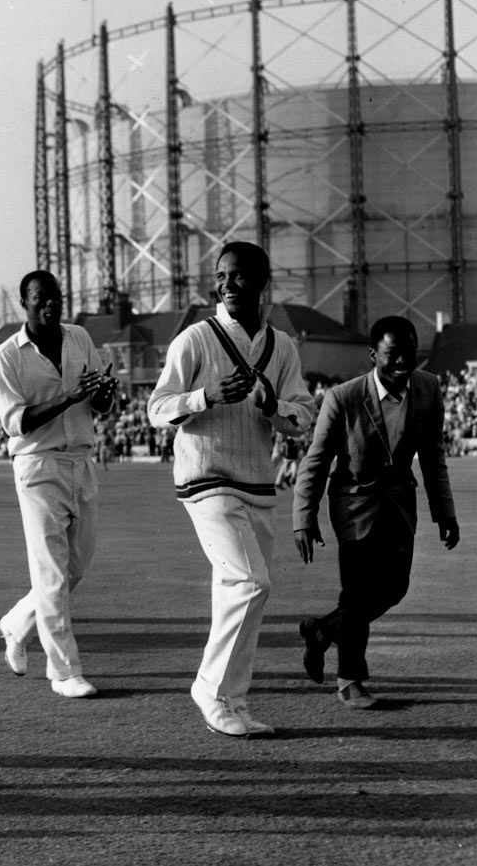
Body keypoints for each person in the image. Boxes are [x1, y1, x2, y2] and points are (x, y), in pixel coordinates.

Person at [148, 241, 314, 737]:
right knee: (250, 582)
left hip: (258, 484)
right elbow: (157, 409)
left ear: (262, 282)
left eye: (239, 276)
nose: (227, 285)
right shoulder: (195, 340)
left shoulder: (282, 347)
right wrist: (205, 395)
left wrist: (270, 405)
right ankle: (210, 689)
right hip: (206, 480)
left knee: (238, 592)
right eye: (221, 276)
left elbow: (301, 418)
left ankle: (233, 699)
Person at [293, 315, 459, 709]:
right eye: (393, 355)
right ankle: (350, 681)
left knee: (395, 589)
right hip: (354, 507)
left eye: (410, 354)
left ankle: (321, 631)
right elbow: (316, 462)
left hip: (400, 504)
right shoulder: (343, 398)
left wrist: (445, 512)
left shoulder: (428, 388)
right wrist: (304, 516)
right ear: (372, 355)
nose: (403, 363)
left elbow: (433, 457)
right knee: (357, 593)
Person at [0, 271, 116, 697]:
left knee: (75, 566)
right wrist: (70, 396)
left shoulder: (79, 337)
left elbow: (98, 399)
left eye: (56, 297)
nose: (51, 305)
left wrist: (103, 394)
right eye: (41, 299)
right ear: (24, 304)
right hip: (38, 465)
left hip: (81, 459)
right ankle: (63, 672)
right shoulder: (7, 356)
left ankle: (17, 623)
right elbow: (17, 423)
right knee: (51, 572)